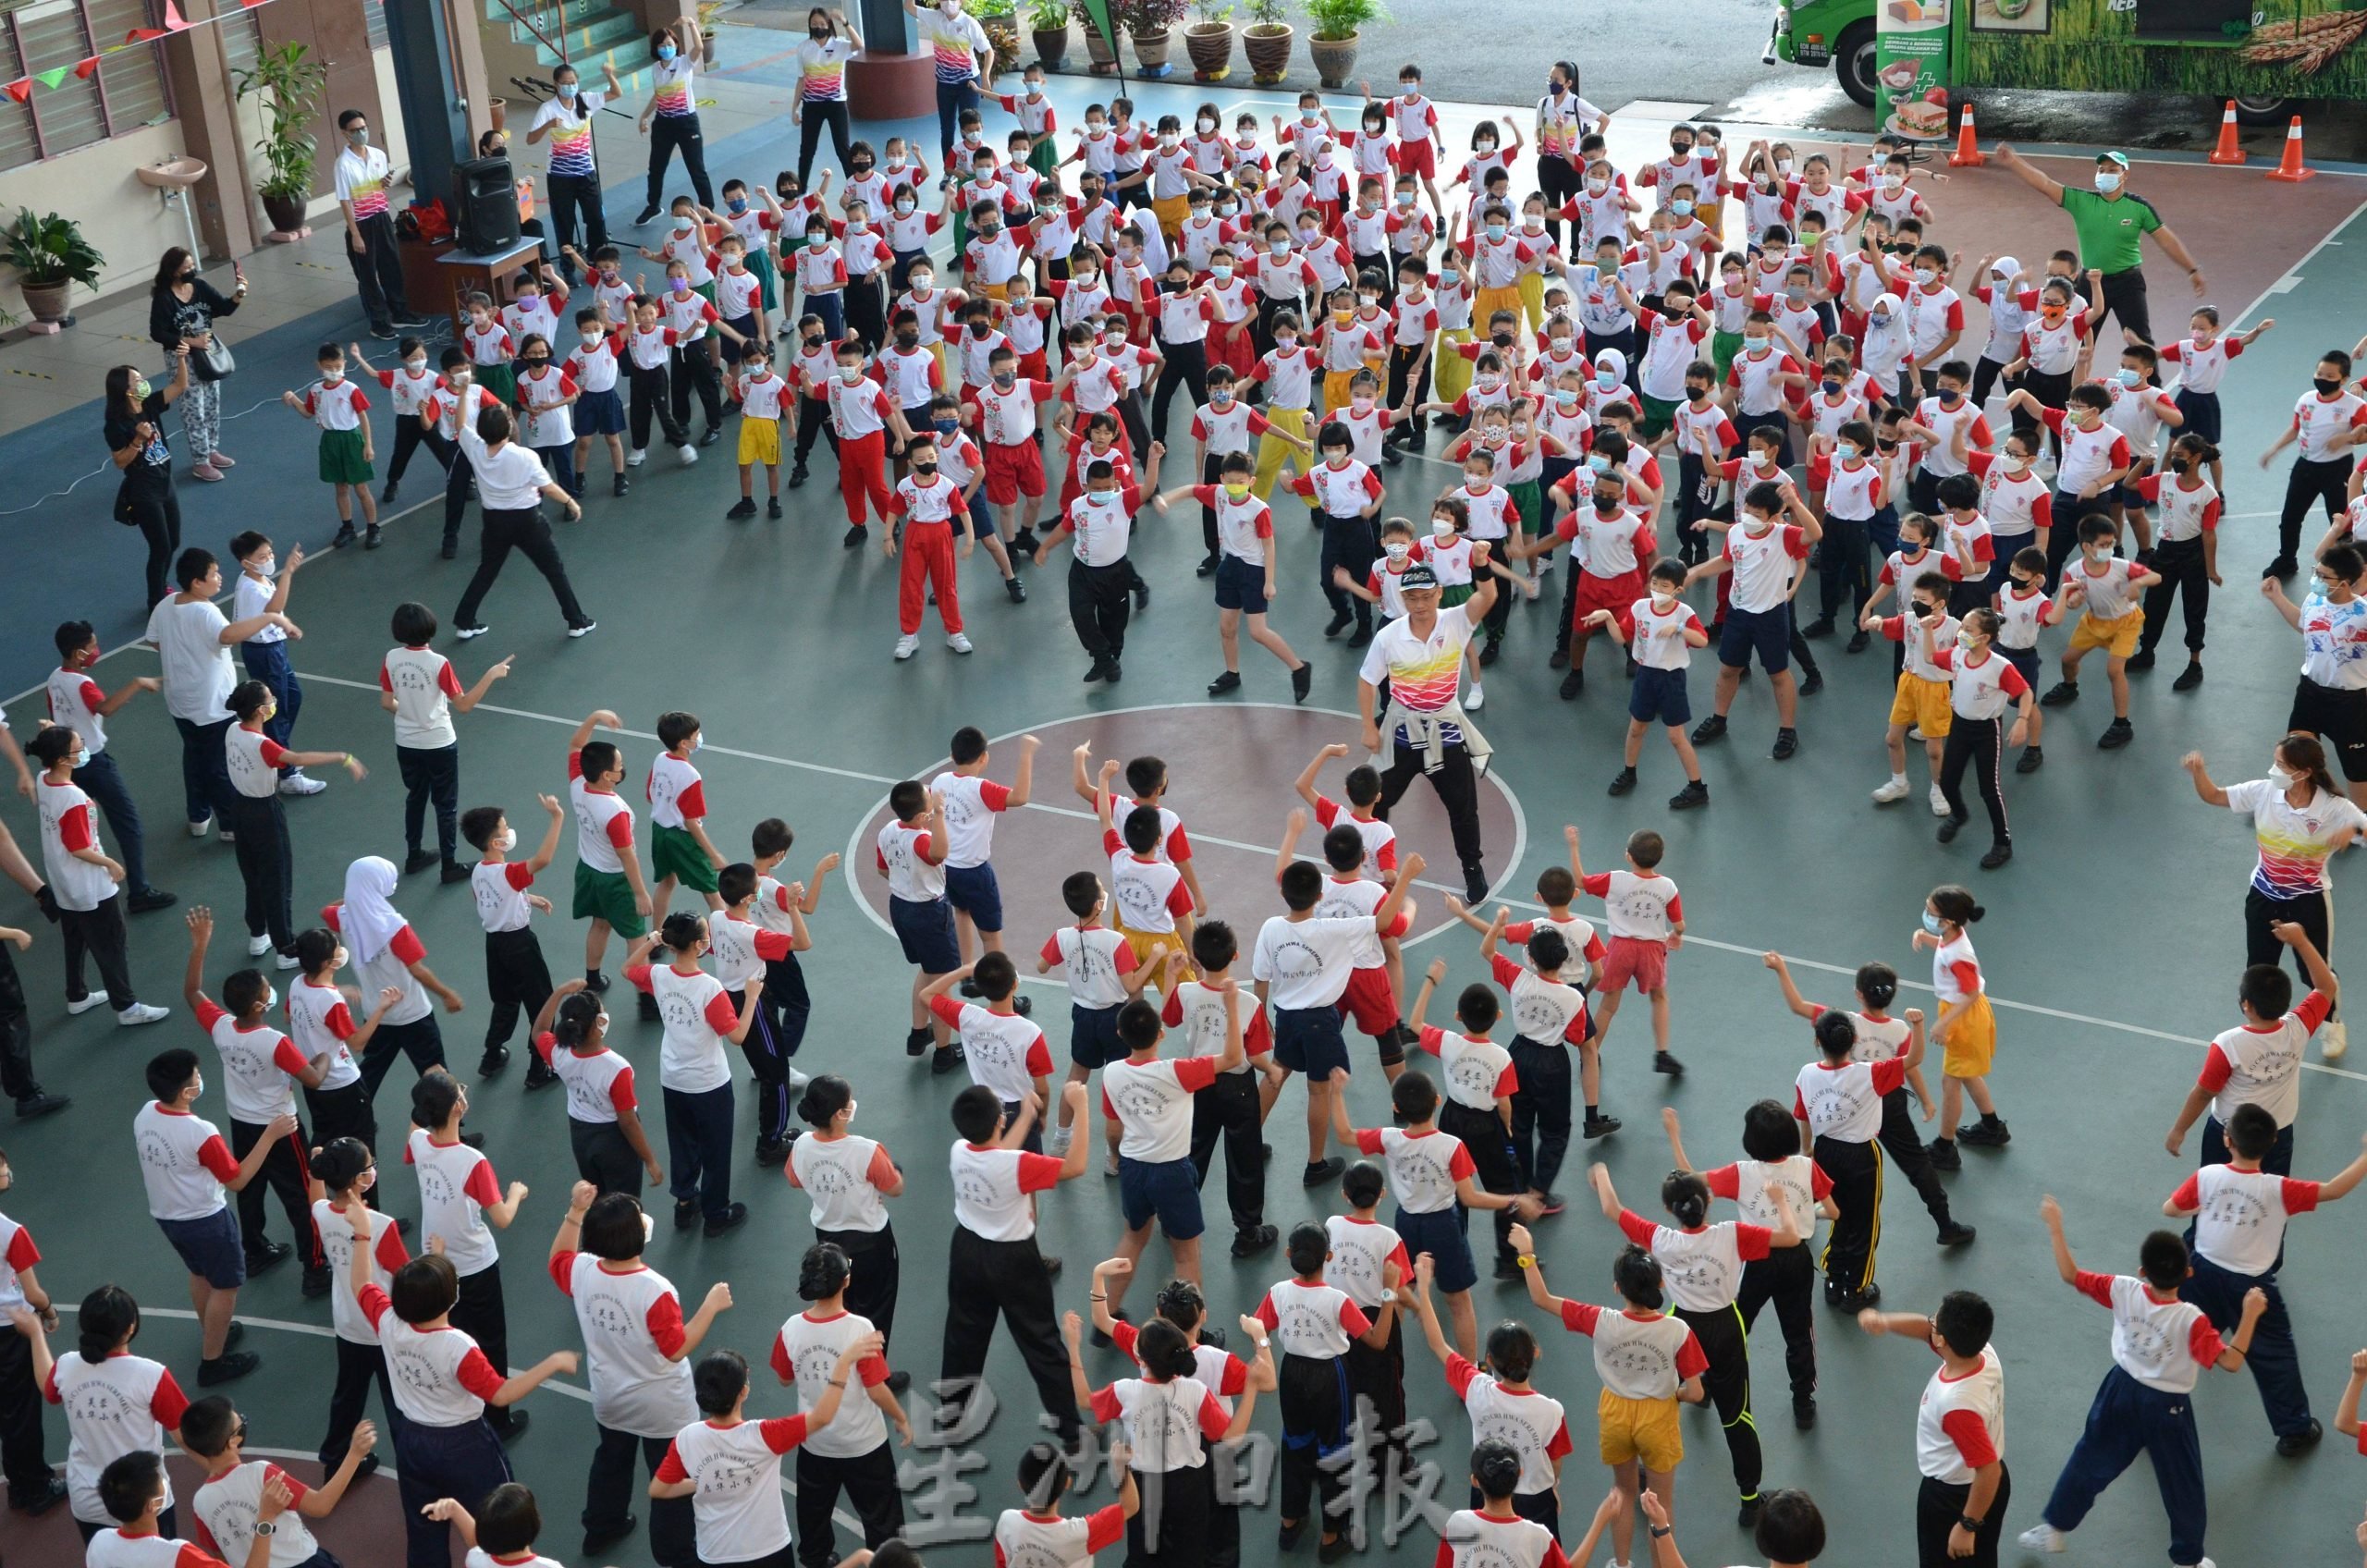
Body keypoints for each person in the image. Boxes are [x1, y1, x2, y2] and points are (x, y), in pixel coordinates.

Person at [2017, 1194, 2264, 1568]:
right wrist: (2249, 1315)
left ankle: (2054, 1529)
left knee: (2090, 1457)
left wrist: (2055, 1226)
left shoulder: (2123, 1288)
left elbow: (2070, 1274)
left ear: (2143, 1271)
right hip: (2168, 1408)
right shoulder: (2191, 1319)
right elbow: (2229, 1361)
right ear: (2189, 1273)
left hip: (2119, 1390)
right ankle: (2189, 1560)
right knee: (2183, 1483)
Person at [338, 1201, 576, 1568]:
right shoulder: (457, 1347)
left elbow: (360, 1283)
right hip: (464, 1445)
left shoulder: (389, 1322)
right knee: (496, 1521)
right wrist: (553, 1363)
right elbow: (501, 1393)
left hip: (413, 1441)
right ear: (453, 1297)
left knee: (424, 1527)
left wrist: (361, 1231)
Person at [1595, 1161, 1801, 1525]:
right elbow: (1790, 1237)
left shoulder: (1660, 1238)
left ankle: (1646, 1466)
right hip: (1725, 1327)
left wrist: (1601, 1173)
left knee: (1658, 1398)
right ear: (1707, 1200)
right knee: (1738, 1414)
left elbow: (1611, 1208)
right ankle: (1750, 1499)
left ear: (1668, 1210)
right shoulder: (1732, 1234)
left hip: (1681, 1327)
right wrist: (1780, 1200)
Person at [2168, 1103, 2367, 1456]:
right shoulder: (2280, 1189)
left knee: (2180, 1335)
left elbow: (2170, 1209)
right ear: (2274, 1142)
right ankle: (2294, 1431)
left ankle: (2155, 1400)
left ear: (2227, 1139)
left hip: (2200, 1273)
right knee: (2275, 1355)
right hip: (2253, 1289)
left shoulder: (2207, 1176)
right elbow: (2335, 1189)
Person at [1514, 1232, 1708, 1568]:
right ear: (1659, 1284)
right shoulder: (1678, 1331)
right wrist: (1673, 1394)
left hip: (1615, 1412)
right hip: (1658, 1417)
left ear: (1618, 1287)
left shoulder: (1600, 1320)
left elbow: (1542, 1298)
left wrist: (1528, 1253)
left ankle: (1621, 1563)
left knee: (1623, 1492)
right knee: (1660, 1504)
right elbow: (1696, 1392)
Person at [550, 1182, 719, 1564]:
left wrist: (574, 1212)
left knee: (611, 1459)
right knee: (671, 1479)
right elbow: (675, 1349)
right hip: (663, 1407)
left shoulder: (582, 1270)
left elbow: (559, 1256)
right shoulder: (655, 1289)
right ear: (638, 1234)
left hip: (610, 1396)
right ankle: (675, 1553)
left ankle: (601, 1527)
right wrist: (709, 1307)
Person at [2182, 735, 2362, 1062]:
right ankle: (2261, 1029)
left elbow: (2364, 826)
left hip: (2308, 901)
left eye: (2281, 765)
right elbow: (2213, 795)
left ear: (2304, 772)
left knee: (2315, 972)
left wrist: (2351, 832)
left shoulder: (2333, 807)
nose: (2273, 769)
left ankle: (2332, 1023)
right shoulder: (2264, 792)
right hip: (2263, 897)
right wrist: (2199, 772)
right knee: (2260, 969)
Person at [937, 1082, 1092, 1446]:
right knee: (1042, 1344)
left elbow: (997, 1156)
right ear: (998, 1121)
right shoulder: (1019, 1165)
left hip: (967, 1250)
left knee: (963, 1336)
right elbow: (1076, 1166)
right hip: (1013, 1261)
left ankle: (951, 1414)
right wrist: (1081, 1107)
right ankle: (1070, 1433)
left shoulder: (960, 1150)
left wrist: (1025, 1116)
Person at [182, 908, 328, 1292]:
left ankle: (255, 1250)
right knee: (302, 1197)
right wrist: (327, 1052)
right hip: (281, 1128)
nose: (269, 988)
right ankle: (314, 1268)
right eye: (266, 989)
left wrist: (199, 945)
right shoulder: (274, 1042)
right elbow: (312, 1078)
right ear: (260, 1006)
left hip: (243, 1122)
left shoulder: (221, 1026)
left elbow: (192, 993)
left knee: (250, 1190)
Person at [1356, 562, 1499, 904]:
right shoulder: (1389, 637)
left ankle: (1472, 869)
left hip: (1445, 732)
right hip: (1402, 732)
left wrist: (1480, 563)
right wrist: (1368, 726)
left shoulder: (1457, 621)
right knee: (1377, 803)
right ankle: (1377, 866)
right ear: (1402, 598)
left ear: (1438, 594)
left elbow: (1489, 594)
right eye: (1411, 598)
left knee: (1463, 808)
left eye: (1425, 597)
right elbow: (1367, 680)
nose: (1419, 604)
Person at [773, 1242, 911, 1567]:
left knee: (814, 1509)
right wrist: (900, 1417)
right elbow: (877, 1390)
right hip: (864, 1443)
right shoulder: (860, 1330)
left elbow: (784, 1378)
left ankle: (816, 1557)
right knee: (882, 1515)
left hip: (815, 1439)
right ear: (846, 1281)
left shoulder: (791, 1329)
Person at [625, 913, 758, 1237]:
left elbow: (628, 969)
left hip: (673, 1077)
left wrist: (652, 941)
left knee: (682, 1142)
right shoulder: (709, 988)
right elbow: (737, 1036)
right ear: (699, 945)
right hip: (709, 1083)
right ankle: (715, 1214)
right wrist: (752, 997)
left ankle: (685, 1204)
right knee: (716, 1148)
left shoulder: (659, 976)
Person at [2164, 922, 2334, 1174]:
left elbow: (2204, 1092)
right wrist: (2301, 941)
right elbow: (2326, 987)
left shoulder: (2228, 1044)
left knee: (2216, 1194)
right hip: (2277, 1133)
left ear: (2246, 1005)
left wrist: (2179, 1129)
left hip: (2229, 1136)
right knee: (2270, 1198)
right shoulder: (2299, 1028)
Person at [1990, 147, 2203, 345]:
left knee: (2140, 341)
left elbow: (2166, 240)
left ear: (2125, 175)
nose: (2105, 174)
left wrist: (2192, 269)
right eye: (2101, 169)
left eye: (2113, 170)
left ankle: (2151, 384)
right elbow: (2045, 184)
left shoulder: (2139, 208)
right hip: (2090, 283)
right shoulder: (2081, 201)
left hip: (2128, 283)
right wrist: (2014, 161)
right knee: (2076, 339)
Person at [27, 727, 166, 1027]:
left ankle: (76, 995)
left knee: (75, 939)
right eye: (79, 747)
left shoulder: (43, 778)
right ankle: (127, 1007)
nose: (83, 749)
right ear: (64, 759)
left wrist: (53, 732)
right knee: (111, 944)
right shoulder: (75, 798)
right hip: (89, 886)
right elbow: (78, 846)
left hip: (64, 883)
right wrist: (110, 863)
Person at [1857, 1294, 2008, 1568]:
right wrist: (1884, 1322)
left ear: (1943, 1342)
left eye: (1935, 1325)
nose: (1930, 1324)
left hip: (1956, 1499)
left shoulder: (1956, 1405)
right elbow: (1927, 1330)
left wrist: (1966, 1526)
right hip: (1990, 1490)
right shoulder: (1983, 1352)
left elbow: (1988, 1470)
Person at [38, 1285, 190, 1539]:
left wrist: (35, 1334)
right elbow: (187, 1435)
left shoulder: (66, 1365)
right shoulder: (151, 1375)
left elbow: (48, 1389)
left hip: (88, 1496)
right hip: (145, 1499)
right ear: (131, 1327)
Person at [47, 621, 174, 915]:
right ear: (79, 653)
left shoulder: (54, 679)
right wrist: (138, 683)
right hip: (93, 761)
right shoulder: (83, 683)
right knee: (127, 822)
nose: (96, 650)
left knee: (74, 825)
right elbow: (103, 707)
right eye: (92, 646)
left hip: (69, 763)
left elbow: (56, 714)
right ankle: (139, 890)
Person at [450, 387, 596, 640]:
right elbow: (548, 487)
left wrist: (463, 393)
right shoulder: (524, 455)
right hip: (527, 522)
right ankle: (576, 621)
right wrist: (571, 501)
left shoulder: (474, 448)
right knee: (554, 570)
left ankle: (464, 621)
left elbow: (460, 422)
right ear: (508, 429)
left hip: (494, 522)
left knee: (487, 569)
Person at [306, 1136, 406, 1481]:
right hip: (381, 1324)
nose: (373, 1172)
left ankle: (334, 1457)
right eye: (369, 1167)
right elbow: (404, 1275)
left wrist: (316, 1167)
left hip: (348, 1323)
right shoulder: (380, 1225)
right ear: (358, 1180)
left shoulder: (323, 1214)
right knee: (399, 1403)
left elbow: (315, 1196)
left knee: (348, 1395)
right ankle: (414, 1466)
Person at [788, 1075, 905, 1360]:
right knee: (876, 1309)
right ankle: (874, 1375)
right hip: (871, 1243)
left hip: (828, 1240)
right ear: (841, 1113)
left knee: (843, 1304)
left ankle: (845, 1359)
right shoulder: (867, 1150)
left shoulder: (801, 1145)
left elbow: (794, 1179)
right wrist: (895, 1171)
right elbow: (895, 1188)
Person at [185, 1390, 374, 1568]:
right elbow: (319, 1505)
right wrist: (355, 1454)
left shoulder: (200, 1502)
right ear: (233, 1440)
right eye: (239, 1425)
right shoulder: (261, 1473)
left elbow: (221, 1556)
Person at [325, 856, 462, 1099]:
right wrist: (447, 994)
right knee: (436, 1074)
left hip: (376, 1013)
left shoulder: (345, 917)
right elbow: (418, 970)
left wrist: (355, 898)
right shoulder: (395, 926)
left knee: (371, 1070)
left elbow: (326, 911)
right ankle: (453, 1129)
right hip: (412, 1014)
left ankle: (356, 1120)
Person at [2262, 545, 2367, 809]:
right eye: (2316, 573)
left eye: (2323, 576)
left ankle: (2361, 821)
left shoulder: (2364, 615)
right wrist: (2277, 598)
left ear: (2344, 583)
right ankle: (2314, 804)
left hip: (2350, 702)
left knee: (2357, 769)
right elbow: (2304, 624)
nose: (2316, 580)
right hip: (2310, 692)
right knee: (2297, 754)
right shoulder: (2314, 599)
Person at [2257, 347, 2367, 580]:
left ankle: (2345, 569)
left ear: (2344, 379)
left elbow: (2364, 432)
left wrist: (2346, 438)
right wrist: (2274, 448)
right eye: (2320, 374)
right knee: (2290, 518)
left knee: (2340, 522)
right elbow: (2296, 428)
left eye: (2330, 376)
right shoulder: (2306, 400)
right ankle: (2287, 559)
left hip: (2337, 470)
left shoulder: (2354, 406)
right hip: (2305, 467)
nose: (2322, 379)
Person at [105, 349, 197, 613]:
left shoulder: (149, 405)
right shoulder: (116, 424)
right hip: (144, 492)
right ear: (125, 389)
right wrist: (137, 440)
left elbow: (180, 384)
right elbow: (120, 461)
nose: (143, 382)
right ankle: (155, 600)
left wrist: (181, 358)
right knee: (160, 546)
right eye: (137, 380)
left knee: (174, 540)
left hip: (165, 483)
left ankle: (161, 585)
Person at [149, 249, 246, 482]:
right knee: (194, 411)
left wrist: (239, 294)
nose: (192, 270)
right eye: (186, 267)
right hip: (182, 358)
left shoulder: (200, 287)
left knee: (212, 404)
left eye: (193, 265)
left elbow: (223, 308)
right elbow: (157, 332)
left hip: (207, 353)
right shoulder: (164, 298)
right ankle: (200, 461)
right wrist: (190, 341)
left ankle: (211, 449)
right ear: (173, 272)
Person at [526, 59, 623, 278]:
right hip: (560, 177)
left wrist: (609, 74)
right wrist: (548, 125)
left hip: (586, 172)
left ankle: (598, 261)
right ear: (556, 84)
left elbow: (616, 93)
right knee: (564, 222)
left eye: (573, 81)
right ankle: (568, 268)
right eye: (565, 82)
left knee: (596, 218)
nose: (570, 86)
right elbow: (531, 139)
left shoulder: (586, 100)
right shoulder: (548, 109)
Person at [330, 108, 420, 339]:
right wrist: (355, 234)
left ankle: (399, 312)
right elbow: (345, 201)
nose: (361, 133)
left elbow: (377, 186)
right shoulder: (343, 165)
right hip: (361, 222)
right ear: (345, 134)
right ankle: (379, 322)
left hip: (381, 216)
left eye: (363, 128)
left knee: (392, 266)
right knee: (368, 275)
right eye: (355, 130)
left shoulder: (378, 155)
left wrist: (383, 184)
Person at [83, 1449, 254, 1568]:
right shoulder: (177, 1554)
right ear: (153, 1505)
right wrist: (265, 1522)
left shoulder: (99, 1542)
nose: (164, 1483)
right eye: (160, 1481)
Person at [633, 17, 713, 224]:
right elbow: (658, 95)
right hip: (663, 124)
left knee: (696, 168)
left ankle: (708, 211)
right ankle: (653, 206)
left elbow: (699, 46)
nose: (666, 47)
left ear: (676, 45)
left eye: (670, 44)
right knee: (656, 168)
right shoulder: (655, 69)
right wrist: (644, 116)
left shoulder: (684, 63)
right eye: (662, 45)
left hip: (686, 123)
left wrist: (691, 24)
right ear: (656, 48)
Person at [906, 0, 995, 180]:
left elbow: (988, 51)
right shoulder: (933, 17)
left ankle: (975, 169)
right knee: (947, 129)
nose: (949, 3)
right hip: (945, 84)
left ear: (961, 2)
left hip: (968, 84)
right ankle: (949, 172)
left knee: (970, 128)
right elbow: (908, 7)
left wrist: (985, 75)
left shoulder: (969, 23)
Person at [793, 8, 862, 188]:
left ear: (829, 25)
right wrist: (794, 108)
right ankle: (800, 192)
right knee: (807, 150)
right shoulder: (803, 48)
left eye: (823, 24)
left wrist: (845, 22)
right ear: (809, 25)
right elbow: (801, 80)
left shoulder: (839, 45)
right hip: (811, 106)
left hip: (836, 104)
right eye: (815, 24)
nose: (819, 27)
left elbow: (859, 45)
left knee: (843, 149)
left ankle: (855, 188)